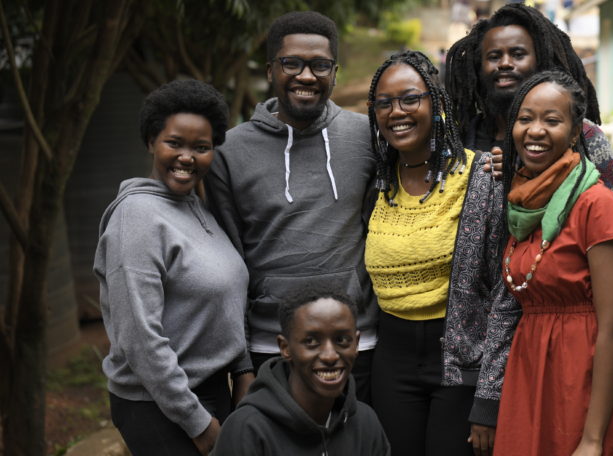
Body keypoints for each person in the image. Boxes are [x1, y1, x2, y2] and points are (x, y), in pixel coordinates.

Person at [205, 11, 378, 403]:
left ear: (335, 72)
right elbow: (229, 265)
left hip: (355, 340)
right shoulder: (229, 152)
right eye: (292, 64)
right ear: (271, 70)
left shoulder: (367, 136)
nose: (306, 76)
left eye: (320, 65)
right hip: (271, 345)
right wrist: (241, 365)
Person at [493, 70, 613, 455]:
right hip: (533, 374)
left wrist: (593, 438)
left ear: (574, 134)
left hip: (588, 381)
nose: (535, 130)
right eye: (525, 118)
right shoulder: (524, 204)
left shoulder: (597, 207)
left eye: (552, 120)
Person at [365, 50, 518, 456]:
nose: (397, 112)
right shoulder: (377, 183)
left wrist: (488, 396)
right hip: (391, 362)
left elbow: (505, 294)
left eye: (409, 98)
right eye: (384, 103)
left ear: (436, 103)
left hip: (460, 366)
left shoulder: (482, 176)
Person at [93, 79, 254, 455]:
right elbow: (140, 339)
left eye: (201, 147)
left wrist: (242, 368)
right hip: (158, 404)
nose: (187, 157)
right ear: (152, 141)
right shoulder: (136, 218)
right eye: (175, 143)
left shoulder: (195, 207)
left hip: (209, 389)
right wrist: (196, 422)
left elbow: (227, 295)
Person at [445, 3, 613, 195]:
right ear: (479, 66)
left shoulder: (585, 136)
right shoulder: (457, 140)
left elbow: (608, 207)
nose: (505, 63)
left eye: (518, 54)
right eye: (494, 56)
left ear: (541, 59)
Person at [211, 290, 391, 455]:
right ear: (285, 348)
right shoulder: (247, 429)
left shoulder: (365, 423)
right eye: (311, 341)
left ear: (356, 344)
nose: (330, 356)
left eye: (342, 340)